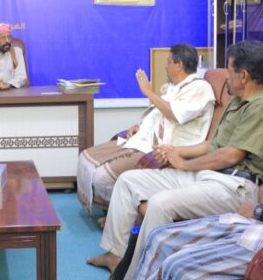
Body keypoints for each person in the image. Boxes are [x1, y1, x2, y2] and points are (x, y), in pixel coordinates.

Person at [88, 41, 263, 280]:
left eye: (229, 71)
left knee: (159, 204)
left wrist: (184, 164)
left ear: (244, 76)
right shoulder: (238, 101)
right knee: (129, 181)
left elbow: (231, 155)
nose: (226, 78)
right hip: (208, 174)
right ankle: (118, 256)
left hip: (234, 186)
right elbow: (212, 145)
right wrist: (176, 152)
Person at [125, 62, 263, 280]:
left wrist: (262, 210)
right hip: (259, 216)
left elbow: (236, 161)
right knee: (160, 238)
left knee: (178, 265)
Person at [77, 43, 215, 213]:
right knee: (86, 157)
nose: (166, 67)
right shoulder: (176, 87)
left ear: (179, 65)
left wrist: (149, 93)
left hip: (164, 149)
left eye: (169, 62)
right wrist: (140, 126)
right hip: (145, 139)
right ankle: (116, 210)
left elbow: (175, 114)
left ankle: (122, 214)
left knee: (101, 176)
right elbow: (159, 114)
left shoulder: (200, 88)